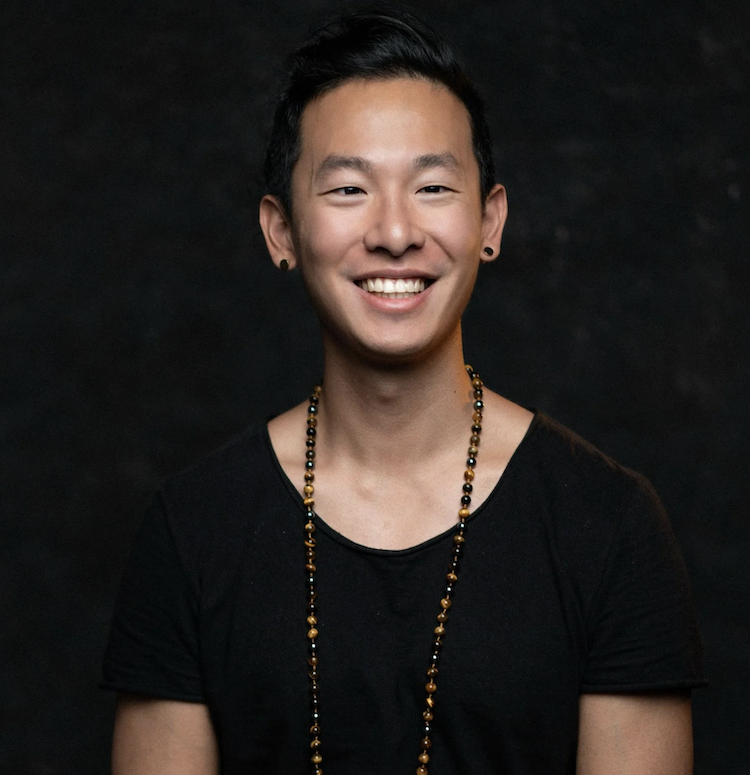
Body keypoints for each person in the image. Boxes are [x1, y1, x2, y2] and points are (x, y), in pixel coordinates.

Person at [102, 9, 705, 774]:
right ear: (281, 231)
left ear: (490, 221)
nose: (394, 232)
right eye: (349, 188)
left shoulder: (608, 524)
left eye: (432, 186)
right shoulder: (192, 529)